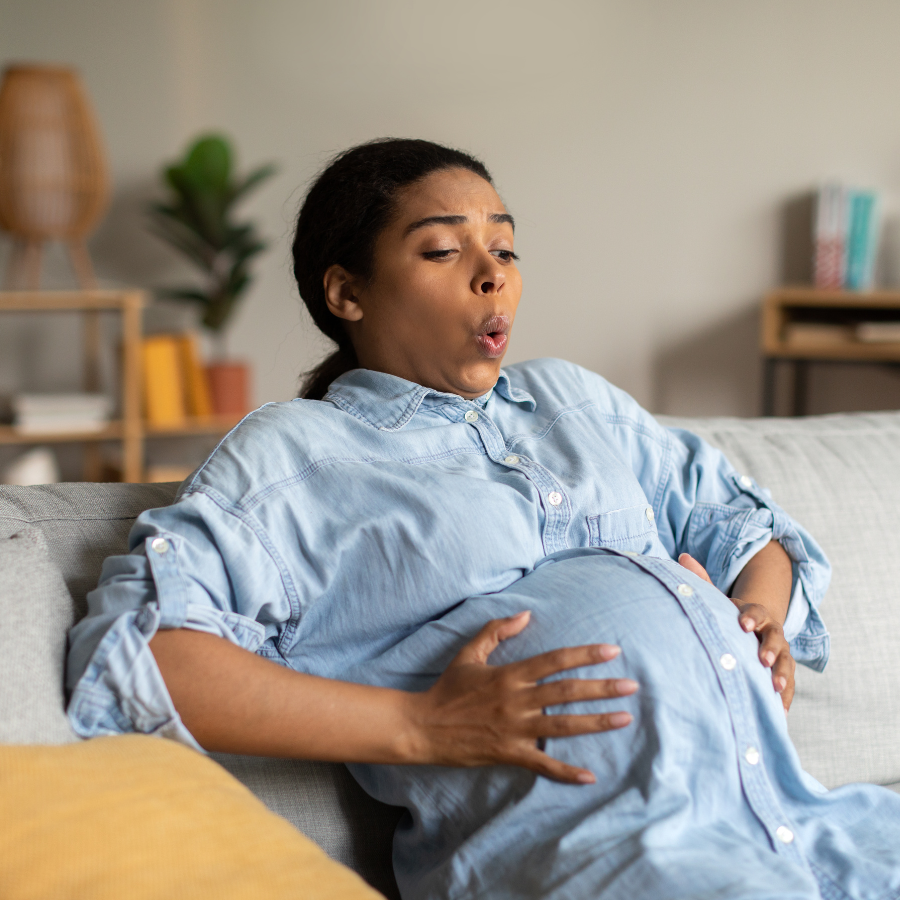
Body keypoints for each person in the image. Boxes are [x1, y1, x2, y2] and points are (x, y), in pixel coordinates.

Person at [67, 139, 900, 899]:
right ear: (346, 291)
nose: (492, 272)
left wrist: (755, 614)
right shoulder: (298, 456)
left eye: (503, 247)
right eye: (442, 249)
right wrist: (418, 726)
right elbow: (143, 654)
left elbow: (741, 521)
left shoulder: (576, 401)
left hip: (815, 829)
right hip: (612, 864)